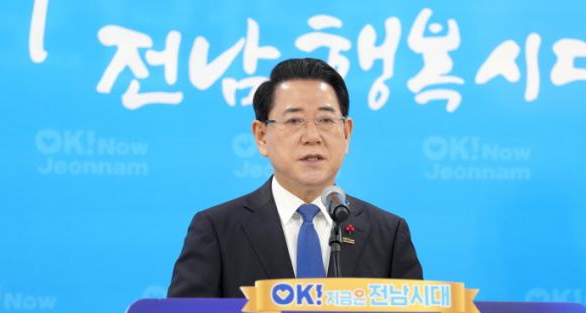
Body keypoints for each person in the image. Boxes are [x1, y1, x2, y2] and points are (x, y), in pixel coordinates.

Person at [168, 58, 422, 298]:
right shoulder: (216, 230)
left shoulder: (388, 234)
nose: (312, 136)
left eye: (326, 120)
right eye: (294, 121)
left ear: (346, 134)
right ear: (261, 136)